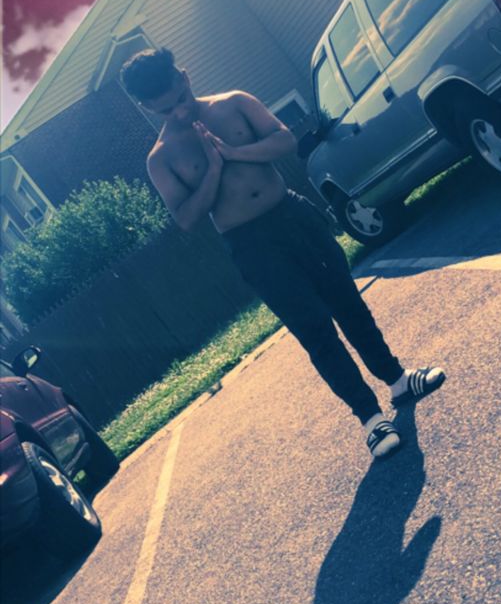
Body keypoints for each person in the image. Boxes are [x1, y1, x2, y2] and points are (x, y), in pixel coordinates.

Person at [120, 47, 445, 458]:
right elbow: (186, 217)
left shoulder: (234, 103)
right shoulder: (161, 157)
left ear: (183, 76)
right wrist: (213, 170)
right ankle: (370, 418)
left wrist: (234, 153)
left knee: (348, 303)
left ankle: (398, 381)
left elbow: (285, 140)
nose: (181, 112)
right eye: (167, 110)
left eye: (181, 98)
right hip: (251, 245)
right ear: (148, 107)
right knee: (314, 330)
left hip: (292, 216)